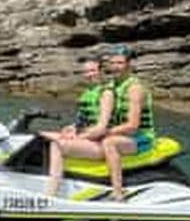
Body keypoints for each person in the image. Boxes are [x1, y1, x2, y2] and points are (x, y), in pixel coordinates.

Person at [43, 58, 114, 197]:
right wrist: (72, 128)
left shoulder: (106, 93)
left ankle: (51, 194)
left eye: (92, 70)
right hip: (87, 139)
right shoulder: (87, 93)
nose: (89, 74)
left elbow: (101, 128)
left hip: (101, 144)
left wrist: (77, 136)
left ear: (100, 72)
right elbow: (83, 121)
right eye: (86, 72)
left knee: (56, 145)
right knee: (40, 135)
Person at [101, 45, 156, 200]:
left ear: (129, 65)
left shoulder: (134, 88)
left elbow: (132, 126)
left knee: (109, 143)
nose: (115, 67)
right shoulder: (111, 87)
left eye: (120, 63)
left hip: (141, 138)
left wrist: (104, 132)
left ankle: (118, 192)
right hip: (122, 135)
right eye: (112, 63)